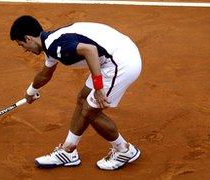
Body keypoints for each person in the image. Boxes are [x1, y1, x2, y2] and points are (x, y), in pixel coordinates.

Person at [10, 15, 142, 170]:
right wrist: (31, 92)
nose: (25, 50)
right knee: (83, 98)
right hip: (114, 54)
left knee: (89, 111)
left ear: (28, 38)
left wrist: (98, 88)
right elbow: (45, 74)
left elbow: (90, 50)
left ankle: (124, 150)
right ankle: (68, 151)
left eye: (22, 45)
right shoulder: (50, 43)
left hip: (121, 61)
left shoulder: (55, 46)